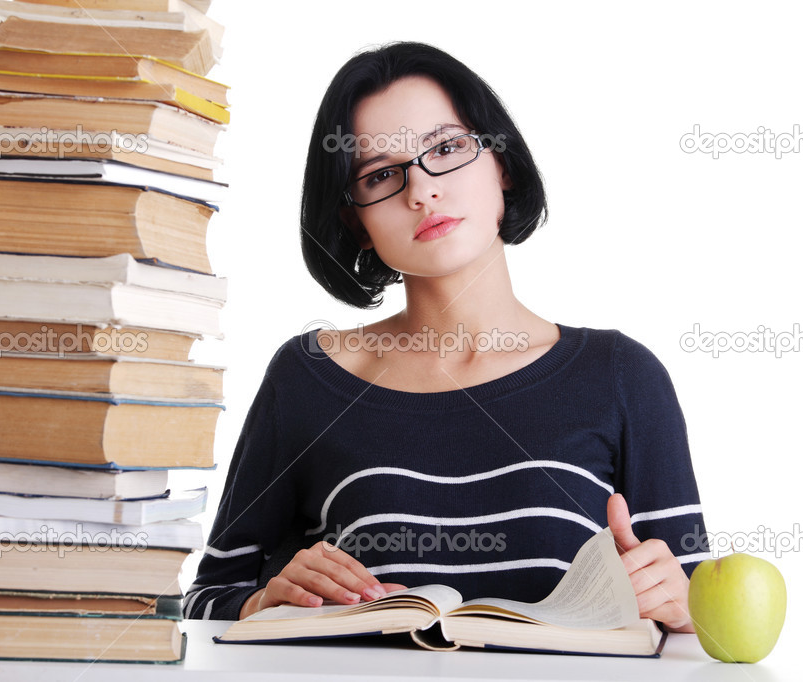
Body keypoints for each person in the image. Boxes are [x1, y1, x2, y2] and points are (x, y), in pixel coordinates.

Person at [185, 42, 709, 634]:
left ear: (502, 165)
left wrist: (684, 606)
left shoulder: (622, 376)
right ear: (356, 221)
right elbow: (206, 601)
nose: (421, 190)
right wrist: (264, 603)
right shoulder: (307, 377)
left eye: (447, 148)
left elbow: (697, 610)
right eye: (381, 174)